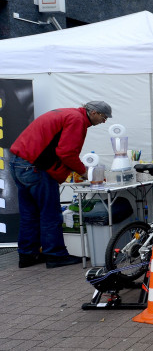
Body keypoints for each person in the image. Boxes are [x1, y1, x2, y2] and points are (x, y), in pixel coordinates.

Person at [9, 100, 112, 268]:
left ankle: (28, 255)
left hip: (18, 163)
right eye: (104, 116)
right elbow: (66, 152)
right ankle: (55, 255)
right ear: (93, 112)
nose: (104, 121)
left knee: (30, 213)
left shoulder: (67, 113)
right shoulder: (77, 119)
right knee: (50, 213)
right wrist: (86, 174)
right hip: (36, 166)